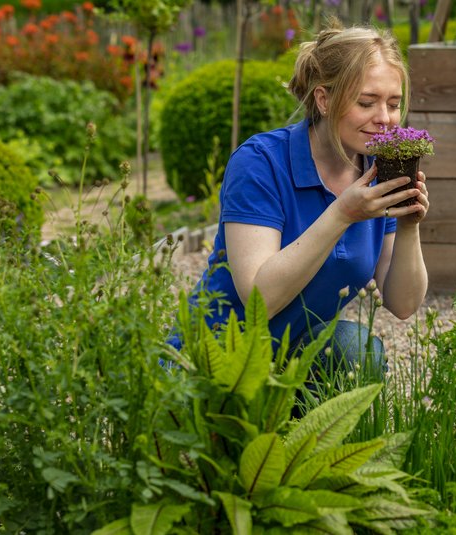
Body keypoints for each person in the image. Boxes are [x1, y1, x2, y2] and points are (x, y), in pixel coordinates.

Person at [176, 23, 429, 379]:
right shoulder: (261, 162)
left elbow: (403, 305)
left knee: (355, 349)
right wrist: (341, 214)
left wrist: (408, 224)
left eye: (393, 104)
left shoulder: (376, 172)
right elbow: (258, 300)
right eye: (366, 102)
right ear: (324, 100)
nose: (385, 119)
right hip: (218, 360)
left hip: (296, 359)